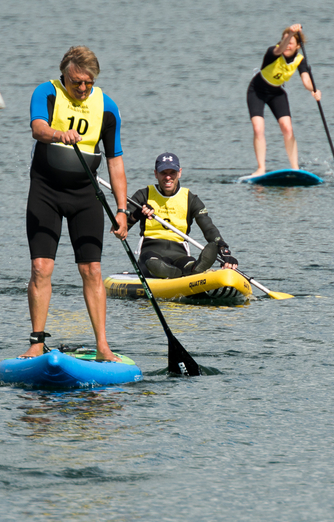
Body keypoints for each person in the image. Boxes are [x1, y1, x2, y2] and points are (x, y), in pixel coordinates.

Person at [23, 46, 129, 362]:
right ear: (64, 75)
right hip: (46, 190)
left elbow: (116, 161)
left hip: (85, 195)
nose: (82, 89)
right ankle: (37, 342)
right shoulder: (47, 92)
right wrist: (59, 134)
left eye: (88, 82)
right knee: (41, 267)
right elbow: (37, 128)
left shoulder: (107, 106)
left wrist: (122, 210)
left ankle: (103, 346)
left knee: (92, 270)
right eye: (76, 82)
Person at [127, 152, 238, 279]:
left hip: (179, 253)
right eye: (163, 173)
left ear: (179, 173)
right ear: (156, 174)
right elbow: (119, 228)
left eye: (172, 173)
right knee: (152, 261)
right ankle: (169, 272)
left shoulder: (190, 199)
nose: (168, 177)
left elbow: (209, 228)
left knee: (187, 263)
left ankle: (193, 269)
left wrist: (224, 251)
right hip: (151, 252)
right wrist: (136, 215)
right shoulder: (143, 195)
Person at [246, 23, 322, 176]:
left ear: (298, 46)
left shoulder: (300, 60)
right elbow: (280, 49)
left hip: (277, 93)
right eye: (284, 41)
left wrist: (314, 90)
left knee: (287, 128)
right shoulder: (273, 52)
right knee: (258, 128)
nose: (286, 45)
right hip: (257, 91)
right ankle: (261, 168)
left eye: (291, 43)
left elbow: (306, 80)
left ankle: (295, 168)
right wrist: (289, 35)